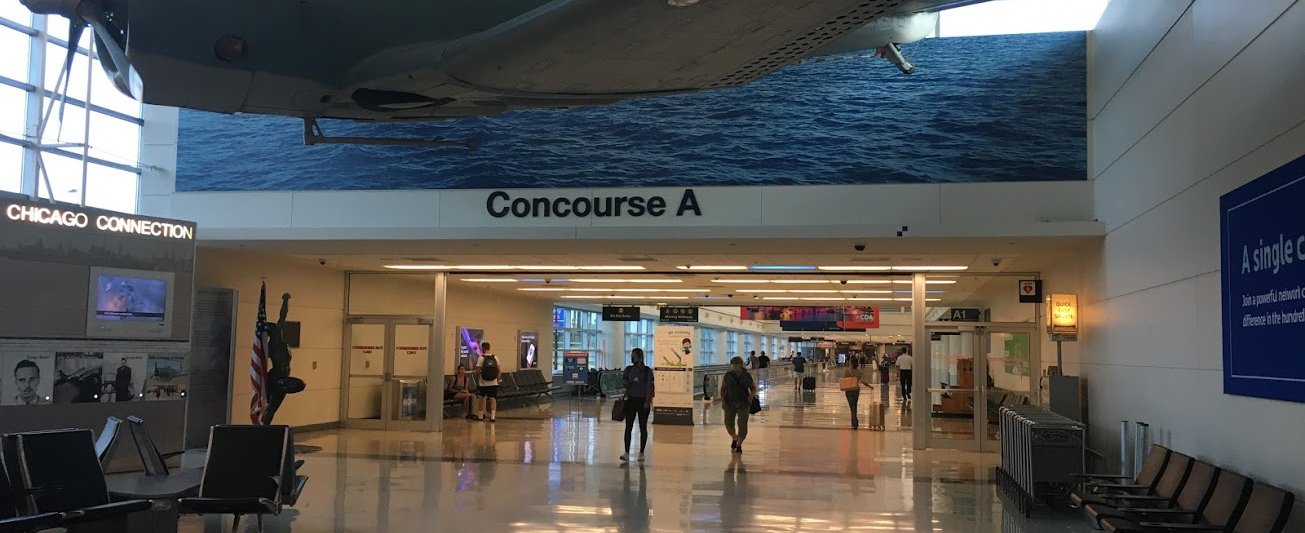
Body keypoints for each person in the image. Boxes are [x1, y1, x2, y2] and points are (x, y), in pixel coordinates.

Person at [620, 348, 655, 462]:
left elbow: (650, 386)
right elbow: (623, 382)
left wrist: (648, 401)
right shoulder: (629, 369)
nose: (632, 358)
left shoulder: (647, 371)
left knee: (642, 427)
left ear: (640, 357)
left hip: (643, 402)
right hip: (631, 401)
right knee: (628, 427)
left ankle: (641, 452)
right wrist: (628, 382)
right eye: (631, 356)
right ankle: (626, 452)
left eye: (634, 356)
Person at [720, 356, 756, 454]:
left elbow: (753, 388)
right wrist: (723, 401)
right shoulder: (728, 375)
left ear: (741, 365)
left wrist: (751, 396)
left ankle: (739, 444)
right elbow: (723, 389)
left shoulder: (746, 376)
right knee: (728, 422)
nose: (735, 367)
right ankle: (734, 437)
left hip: (744, 403)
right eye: (733, 365)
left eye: (736, 365)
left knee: (742, 424)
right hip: (729, 402)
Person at [842, 358, 874, 429]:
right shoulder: (859, 372)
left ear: (851, 363)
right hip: (856, 391)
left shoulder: (847, 370)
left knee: (852, 408)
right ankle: (854, 422)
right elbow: (863, 381)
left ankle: (855, 423)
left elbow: (844, 379)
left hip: (849, 391)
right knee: (854, 407)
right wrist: (870, 386)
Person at [473, 342, 501, 421]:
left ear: (482, 348)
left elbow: (477, 371)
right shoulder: (495, 357)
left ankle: (480, 416)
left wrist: (475, 372)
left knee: (481, 398)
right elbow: (499, 370)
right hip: (494, 382)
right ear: (489, 347)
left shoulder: (481, 358)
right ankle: (492, 417)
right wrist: (498, 380)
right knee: (493, 399)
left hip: (483, 382)